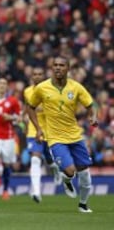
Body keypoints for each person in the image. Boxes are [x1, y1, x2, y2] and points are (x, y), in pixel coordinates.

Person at [27, 56, 98, 213]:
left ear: (68, 68)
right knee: (70, 171)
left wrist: (93, 116)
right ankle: (67, 179)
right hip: (55, 138)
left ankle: (83, 204)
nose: (58, 68)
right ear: (52, 68)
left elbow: (90, 105)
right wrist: (38, 128)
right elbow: (30, 107)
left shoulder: (76, 87)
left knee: (85, 174)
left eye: (61, 65)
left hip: (75, 136)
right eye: (55, 65)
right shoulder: (42, 88)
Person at [23, 66, 61, 203]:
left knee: (50, 161)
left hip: (49, 132)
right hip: (33, 132)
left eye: (40, 74)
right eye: (35, 74)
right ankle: (37, 192)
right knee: (35, 159)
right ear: (32, 76)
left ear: (44, 76)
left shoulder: (51, 91)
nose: (37, 76)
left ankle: (56, 170)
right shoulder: (27, 91)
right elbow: (27, 108)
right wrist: (24, 120)